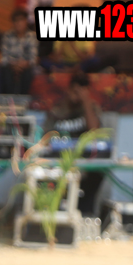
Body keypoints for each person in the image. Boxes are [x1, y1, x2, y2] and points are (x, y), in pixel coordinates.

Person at [44, 73, 104, 216]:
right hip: (59, 159)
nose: (76, 95)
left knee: (98, 173)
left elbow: (94, 132)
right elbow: (45, 138)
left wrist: (86, 102)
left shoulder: (91, 108)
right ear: (69, 89)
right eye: (75, 90)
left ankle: (84, 213)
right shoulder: (57, 109)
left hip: (84, 159)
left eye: (81, 91)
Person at [0, 8, 38, 95]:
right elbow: (4, 58)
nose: (18, 23)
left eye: (21, 20)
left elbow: (33, 58)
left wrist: (23, 64)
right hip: (10, 66)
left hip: (26, 66)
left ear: (26, 21)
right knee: (5, 72)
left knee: (28, 73)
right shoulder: (7, 36)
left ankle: (23, 99)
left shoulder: (32, 36)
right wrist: (14, 65)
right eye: (15, 21)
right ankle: (9, 99)